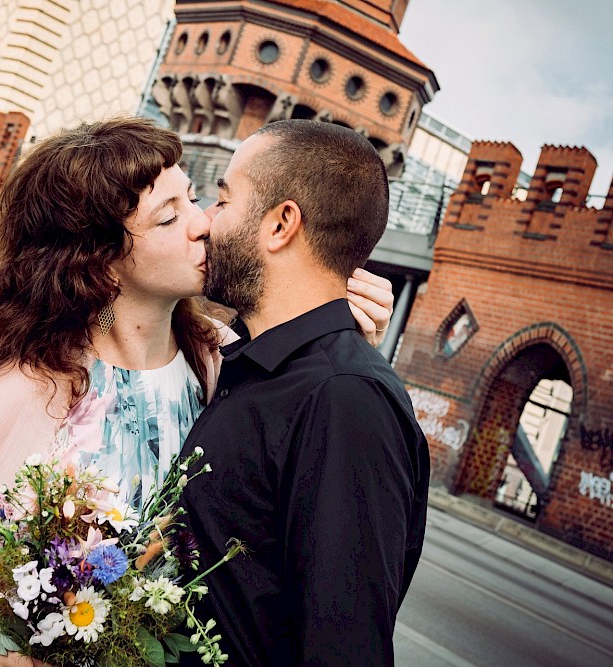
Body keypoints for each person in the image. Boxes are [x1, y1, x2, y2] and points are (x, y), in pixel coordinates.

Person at [0, 117, 395, 667]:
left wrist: (342, 336)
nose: (202, 224)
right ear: (101, 257)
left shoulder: (226, 366)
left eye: (197, 200)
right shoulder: (28, 392)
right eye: (169, 216)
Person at [178, 120, 430, 666]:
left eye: (223, 200)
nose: (205, 222)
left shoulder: (343, 399)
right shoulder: (251, 363)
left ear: (281, 224)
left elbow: (344, 646)